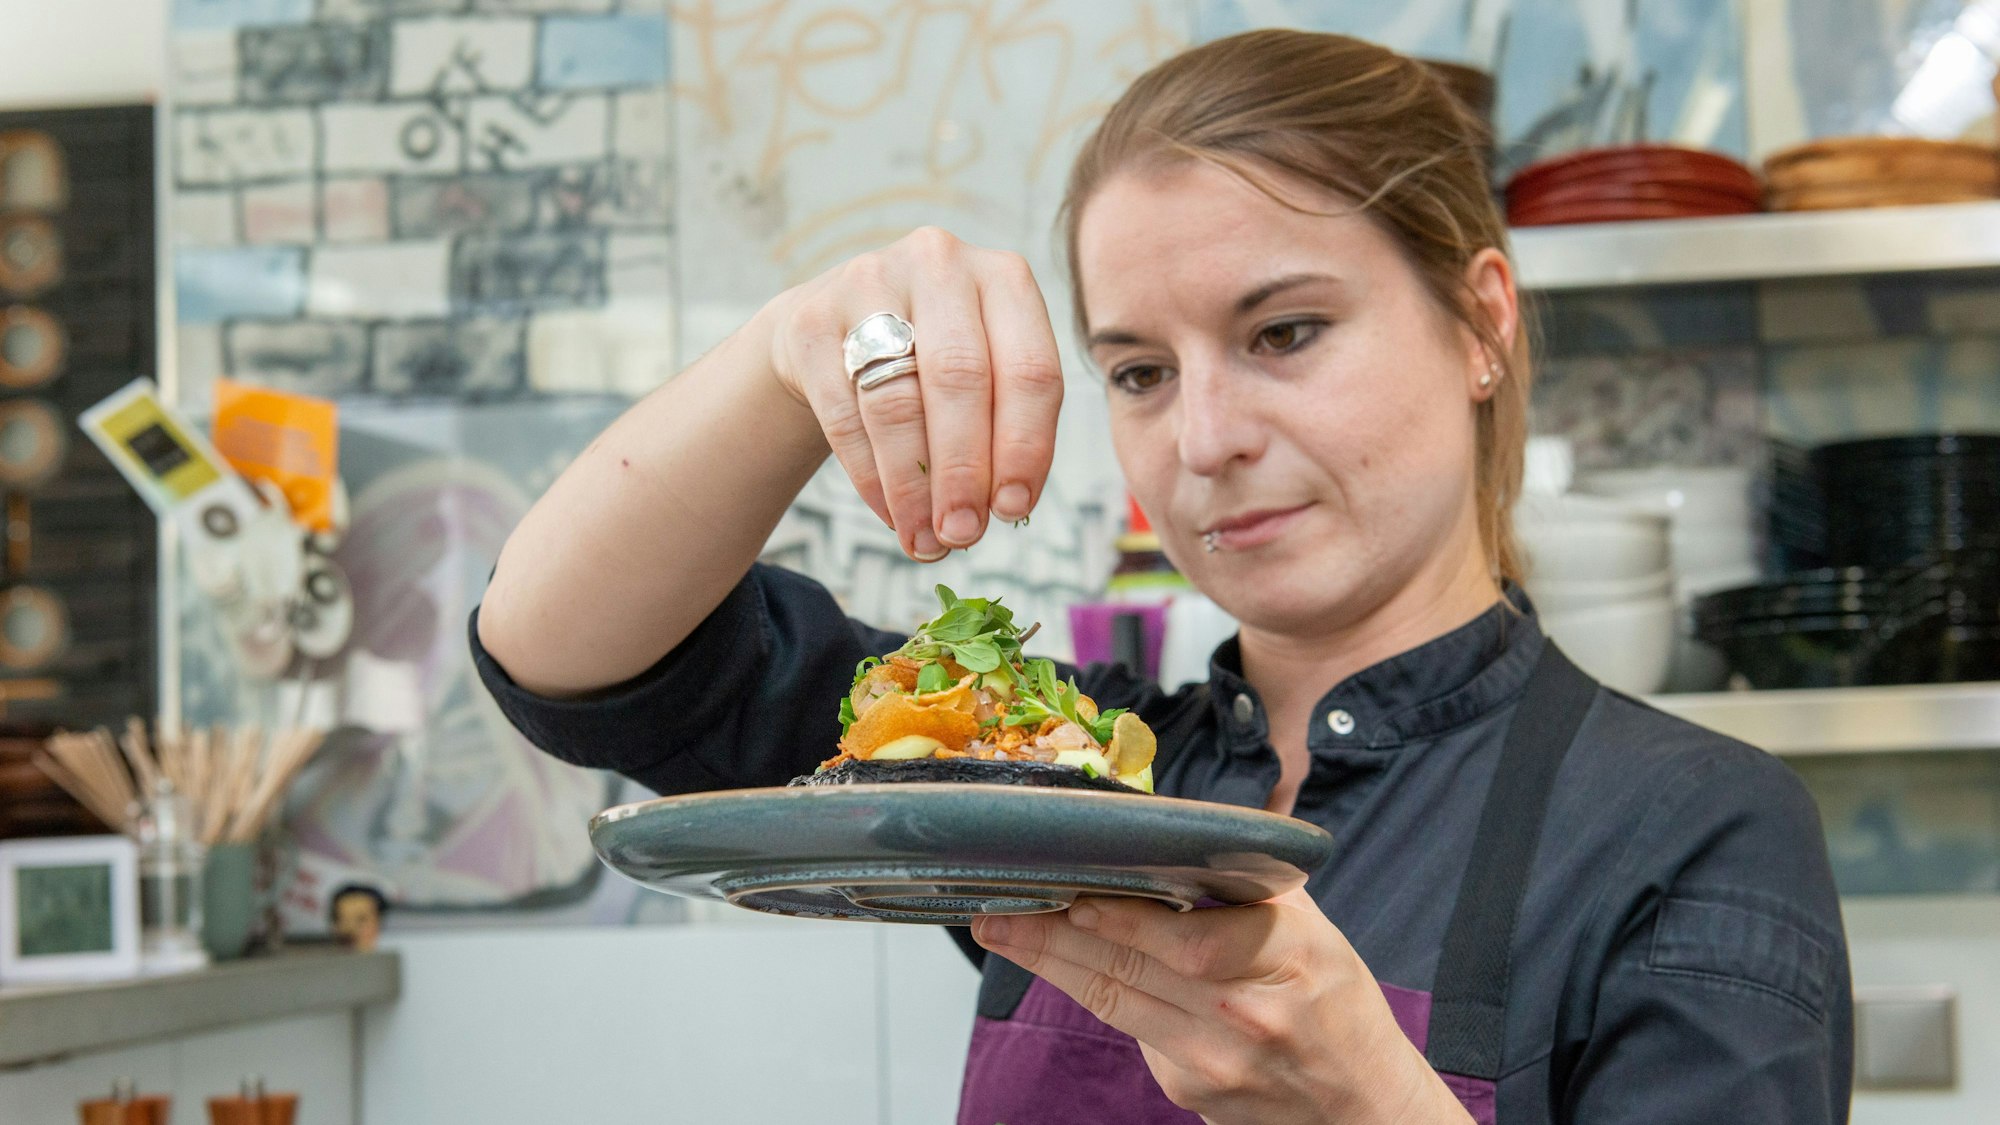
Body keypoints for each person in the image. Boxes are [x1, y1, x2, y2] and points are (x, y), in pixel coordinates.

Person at [471, 29, 1850, 1125]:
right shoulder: (1056, 781)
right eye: (1140, 369)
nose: (1203, 440)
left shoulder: (1695, 834)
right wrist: (789, 352)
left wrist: (1371, 1110)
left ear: (1480, 323)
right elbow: (569, 659)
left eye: (1286, 331)